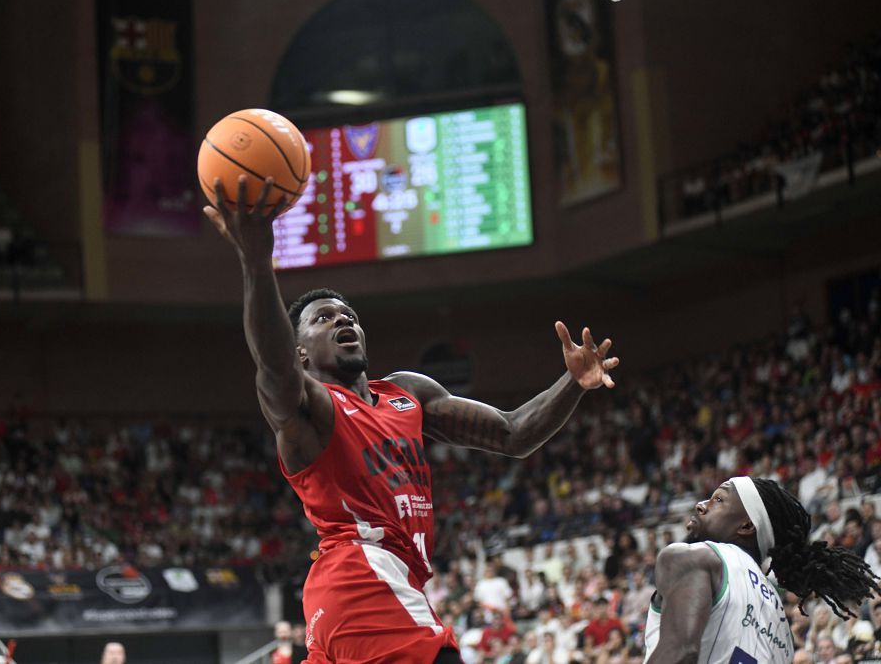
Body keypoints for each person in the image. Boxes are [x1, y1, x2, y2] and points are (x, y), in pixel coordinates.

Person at [203, 177, 619, 664]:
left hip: (381, 586)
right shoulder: (309, 409)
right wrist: (256, 262)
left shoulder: (407, 392)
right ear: (300, 352)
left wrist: (574, 383)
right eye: (323, 319)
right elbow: (273, 367)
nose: (343, 321)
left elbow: (513, 433)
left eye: (349, 314)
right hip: (362, 577)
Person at [645, 477, 880, 664]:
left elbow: (680, 653)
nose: (701, 504)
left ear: (747, 526)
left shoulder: (694, 557)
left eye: (718, 500)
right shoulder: (781, 624)